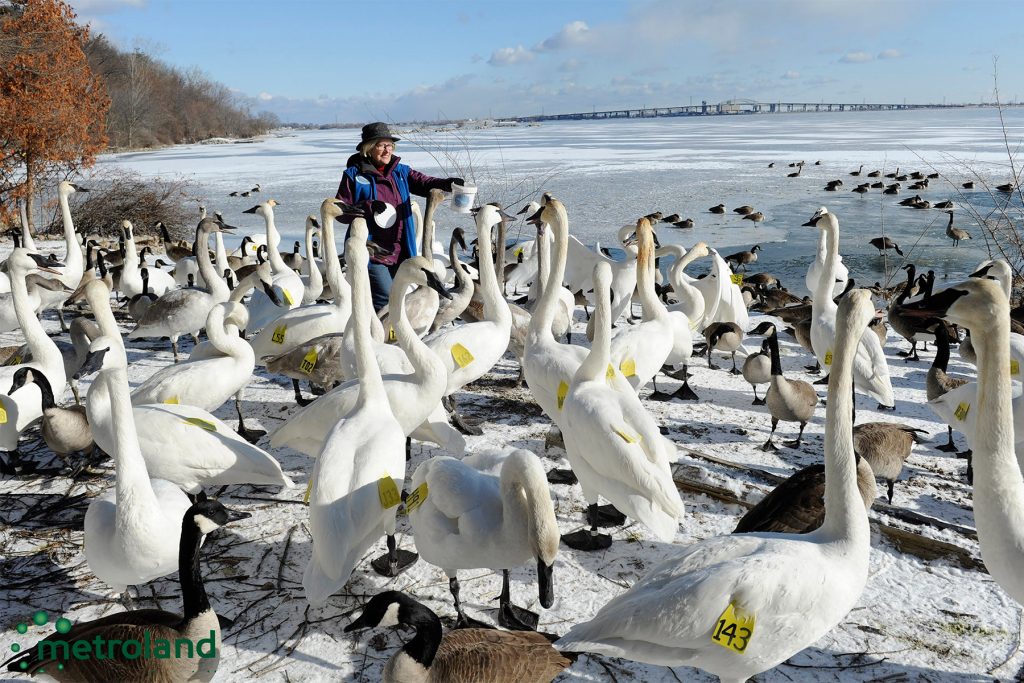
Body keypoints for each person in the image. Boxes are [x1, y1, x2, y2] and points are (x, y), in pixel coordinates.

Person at [336, 122, 463, 311]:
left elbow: (424, 183)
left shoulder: (401, 172)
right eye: (381, 145)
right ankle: (383, 337)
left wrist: (448, 183)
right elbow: (340, 211)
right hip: (372, 252)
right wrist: (368, 206)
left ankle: (384, 335)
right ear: (368, 148)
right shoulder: (353, 175)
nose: (387, 150)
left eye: (390, 145)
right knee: (386, 302)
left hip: (400, 250)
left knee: (398, 298)